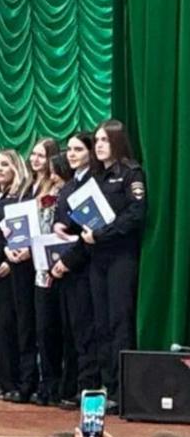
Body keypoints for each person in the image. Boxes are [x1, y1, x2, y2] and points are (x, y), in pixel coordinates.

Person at [82, 120, 145, 407]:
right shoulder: (95, 177)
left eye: (105, 140)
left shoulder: (130, 173)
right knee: (101, 323)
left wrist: (101, 234)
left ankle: (123, 391)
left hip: (121, 256)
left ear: (117, 142)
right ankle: (108, 386)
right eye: (96, 140)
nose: (99, 145)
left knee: (120, 321)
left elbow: (135, 214)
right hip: (97, 259)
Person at [0, 149, 36, 402]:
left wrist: (10, 262)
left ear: (16, 168)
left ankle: (12, 380)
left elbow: (25, 234)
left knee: (8, 324)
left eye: (4, 165)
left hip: (10, 266)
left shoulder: (21, 198)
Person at [50, 132, 103, 407]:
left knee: (85, 330)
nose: (71, 154)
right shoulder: (69, 186)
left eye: (78, 149)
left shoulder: (95, 183)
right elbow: (63, 223)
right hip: (64, 267)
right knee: (69, 330)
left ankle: (88, 387)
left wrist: (68, 260)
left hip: (83, 265)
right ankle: (69, 386)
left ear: (90, 153)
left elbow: (90, 230)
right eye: (69, 149)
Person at [29, 139, 74, 406]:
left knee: (64, 331)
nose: (54, 178)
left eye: (58, 174)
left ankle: (66, 386)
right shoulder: (40, 195)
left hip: (66, 269)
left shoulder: (70, 195)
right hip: (42, 269)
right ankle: (48, 384)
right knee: (44, 330)